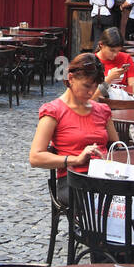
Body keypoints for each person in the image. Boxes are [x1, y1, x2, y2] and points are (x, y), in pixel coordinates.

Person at [28, 53, 118, 204]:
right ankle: (88, 228)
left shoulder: (103, 110)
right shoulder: (53, 111)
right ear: (71, 78)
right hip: (73, 179)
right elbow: (35, 157)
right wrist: (75, 159)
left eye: (95, 87)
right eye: (87, 86)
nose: (91, 92)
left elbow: (116, 147)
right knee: (98, 200)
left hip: (104, 175)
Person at [93, 27, 134, 93]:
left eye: (118, 51)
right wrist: (109, 79)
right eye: (112, 50)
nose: (115, 54)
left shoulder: (126, 58)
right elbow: (92, 96)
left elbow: (133, 88)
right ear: (101, 45)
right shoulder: (92, 62)